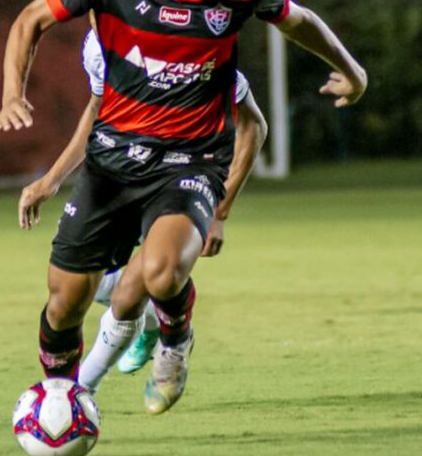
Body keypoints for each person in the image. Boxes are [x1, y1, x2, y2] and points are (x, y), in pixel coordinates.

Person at [0, 0, 367, 414]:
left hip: (190, 163)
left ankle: (174, 338)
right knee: (64, 300)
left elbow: (297, 21)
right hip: (112, 162)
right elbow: (31, 19)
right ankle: (56, 400)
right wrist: (12, 93)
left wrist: (351, 70)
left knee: (161, 271)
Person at [17, 27, 268, 392]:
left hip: (179, 177)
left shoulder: (198, 46)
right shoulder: (98, 45)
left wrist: (220, 210)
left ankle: (80, 393)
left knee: (142, 286)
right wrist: (52, 179)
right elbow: (97, 111)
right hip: (115, 177)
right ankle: (151, 320)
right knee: (80, 290)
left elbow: (253, 124)